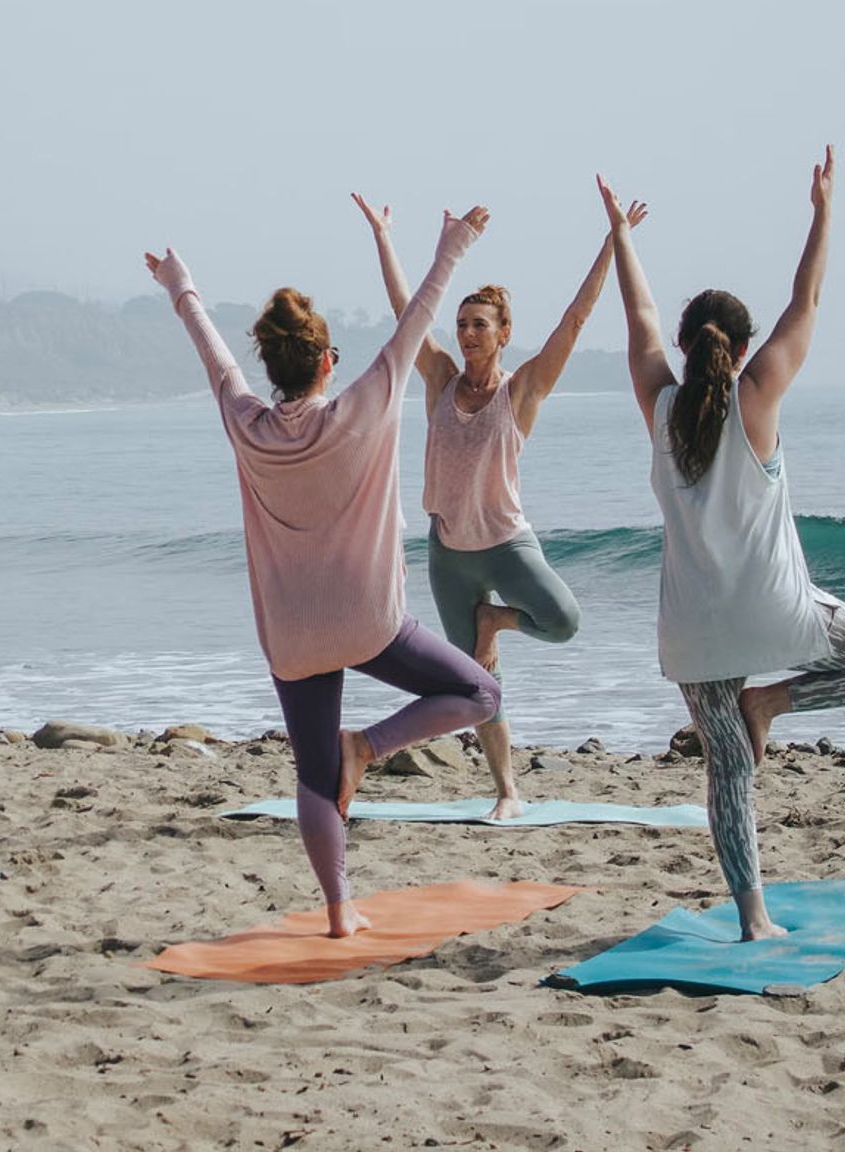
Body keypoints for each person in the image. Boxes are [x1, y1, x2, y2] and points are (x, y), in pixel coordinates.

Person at [145, 206, 500, 936]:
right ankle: (367, 747)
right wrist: (454, 246)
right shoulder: (363, 409)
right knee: (480, 692)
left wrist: (181, 286)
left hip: (292, 636)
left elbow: (213, 355)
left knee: (311, 776)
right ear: (328, 361)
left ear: (272, 369)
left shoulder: (245, 422)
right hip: (369, 623)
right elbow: (419, 321)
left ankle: (340, 914)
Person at [599, 147, 842, 940]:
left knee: (729, 774)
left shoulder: (659, 407)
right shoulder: (759, 394)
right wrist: (821, 211)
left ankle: (754, 920)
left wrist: (620, 237)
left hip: (695, 630)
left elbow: (636, 323)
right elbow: (806, 299)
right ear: (739, 351)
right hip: (778, 615)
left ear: (689, 344)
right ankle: (775, 698)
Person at [352, 193, 642, 819]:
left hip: (508, 545)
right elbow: (409, 311)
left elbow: (576, 319)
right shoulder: (438, 380)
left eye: (479, 324)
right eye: (461, 324)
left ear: (504, 333)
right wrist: (383, 237)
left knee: (563, 621)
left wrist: (612, 240)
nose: (466, 333)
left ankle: (498, 621)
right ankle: (508, 790)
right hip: (449, 553)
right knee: (481, 688)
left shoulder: (524, 390)